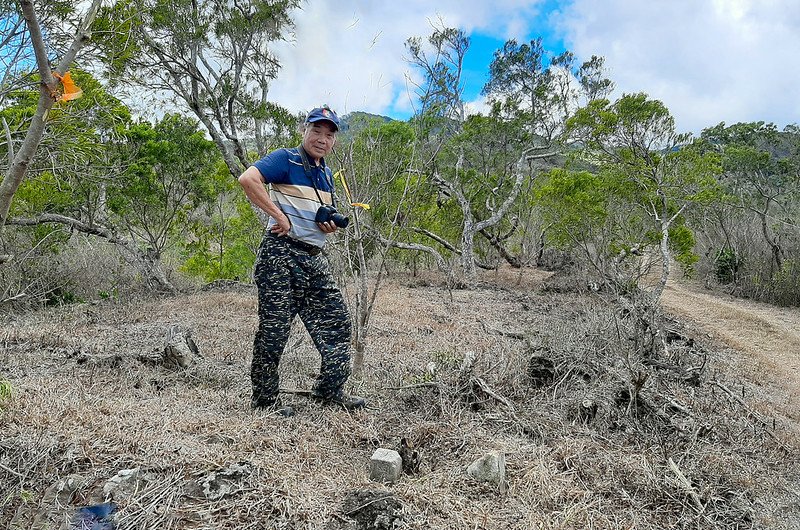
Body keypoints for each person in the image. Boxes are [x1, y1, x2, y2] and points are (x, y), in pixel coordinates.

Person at [238, 105, 365, 416]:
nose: (321, 138)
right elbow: (248, 179)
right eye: (316, 131)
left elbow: (316, 218)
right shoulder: (285, 158)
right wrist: (278, 215)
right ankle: (265, 401)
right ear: (304, 130)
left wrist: (327, 225)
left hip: (312, 258)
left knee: (337, 322)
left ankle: (329, 390)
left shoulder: (327, 174)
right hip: (280, 254)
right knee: (275, 329)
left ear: (335, 140)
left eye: (329, 134)